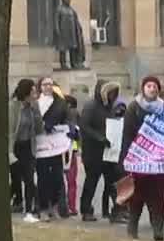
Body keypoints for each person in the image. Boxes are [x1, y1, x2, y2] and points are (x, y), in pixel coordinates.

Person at [120, 75, 164, 241]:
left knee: (157, 196)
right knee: (136, 196)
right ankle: (132, 228)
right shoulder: (133, 108)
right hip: (138, 160)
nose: (152, 88)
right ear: (143, 89)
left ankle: (158, 230)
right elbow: (127, 135)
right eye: (148, 86)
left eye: (154, 86)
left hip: (157, 161)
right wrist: (125, 159)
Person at [78, 81, 119, 221]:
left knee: (112, 181)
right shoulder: (91, 106)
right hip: (93, 151)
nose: (113, 95)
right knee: (91, 181)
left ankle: (118, 209)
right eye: (111, 92)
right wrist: (99, 137)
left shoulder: (110, 107)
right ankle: (86, 209)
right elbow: (84, 126)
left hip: (108, 151)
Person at [34, 77, 70, 220]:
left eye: (50, 84)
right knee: (42, 177)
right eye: (45, 84)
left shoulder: (60, 103)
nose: (48, 87)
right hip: (41, 145)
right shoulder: (36, 102)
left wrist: (68, 127)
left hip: (56, 144)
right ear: (40, 86)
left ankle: (54, 206)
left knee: (57, 176)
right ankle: (42, 207)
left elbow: (67, 118)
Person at [9, 79, 42, 219]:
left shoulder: (34, 107)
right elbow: (9, 131)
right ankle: (17, 201)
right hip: (15, 146)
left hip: (28, 146)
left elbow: (39, 129)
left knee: (29, 178)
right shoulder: (13, 106)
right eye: (33, 92)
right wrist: (9, 152)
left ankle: (30, 209)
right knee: (16, 177)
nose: (35, 95)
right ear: (26, 93)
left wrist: (36, 112)